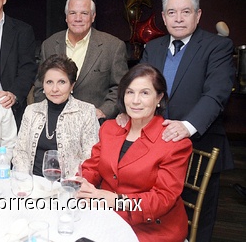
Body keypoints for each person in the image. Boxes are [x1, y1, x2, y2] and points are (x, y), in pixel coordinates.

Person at [128, 0, 235, 241]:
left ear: (197, 15)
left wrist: (187, 126)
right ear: (163, 18)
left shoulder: (217, 46)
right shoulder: (152, 47)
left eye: (185, 12)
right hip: (156, 148)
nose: (178, 18)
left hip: (200, 144)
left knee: (197, 220)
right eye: (171, 12)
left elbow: (217, 93)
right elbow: (142, 89)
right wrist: (127, 113)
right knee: (158, 213)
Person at [80, 63, 193, 242]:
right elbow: (93, 167)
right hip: (107, 217)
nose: (135, 100)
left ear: (159, 98)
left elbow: (163, 199)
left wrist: (116, 201)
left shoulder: (174, 142)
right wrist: (81, 183)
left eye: (145, 93)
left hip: (151, 228)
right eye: (130, 92)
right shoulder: (110, 128)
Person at [34, 0, 128, 122]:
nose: (78, 18)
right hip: (54, 122)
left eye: (84, 13)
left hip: (95, 123)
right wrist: (49, 115)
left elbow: (121, 87)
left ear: (93, 16)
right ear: (66, 17)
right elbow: (40, 87)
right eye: (72, 13)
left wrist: (104, 111)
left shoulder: (113, 46)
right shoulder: (49, 45)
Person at [12, 54, 99, 177]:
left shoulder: (86, 112)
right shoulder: (31, 111)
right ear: (43, 85)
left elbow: (90, 157)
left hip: (69, 186)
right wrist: (26, 181)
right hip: (34, 183)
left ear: (72, 85)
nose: (54, 89)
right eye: (49, 82)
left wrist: (72, 184)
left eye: (61, 82)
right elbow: (20, 151)